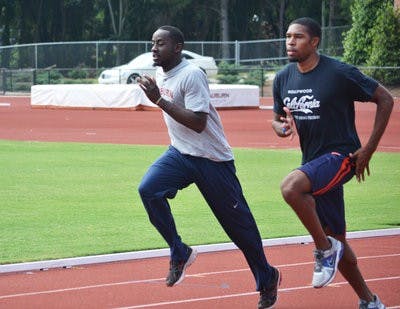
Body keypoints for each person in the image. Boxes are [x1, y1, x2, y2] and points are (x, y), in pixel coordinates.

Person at [137, 25, 280, 309]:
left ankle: (267, 277)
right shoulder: (159, 74)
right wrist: (160, 98)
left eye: (160, 43)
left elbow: (199, 123)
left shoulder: (192, 75)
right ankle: (179, 251)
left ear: (177, 47)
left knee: (239, 228)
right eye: (152, 43)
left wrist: (159, 100)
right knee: (148, 190)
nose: (154, 48)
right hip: (180, 154)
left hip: (213, 160)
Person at [272, 17, 393, 309]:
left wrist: (369, 149)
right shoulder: (283, 78)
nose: (290, 41)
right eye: (288, 36)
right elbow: (277, 119)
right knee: (338, 238)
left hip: (342, 157)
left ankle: (324, 250)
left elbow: (385, 99)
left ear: (314, 42)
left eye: (298, 37)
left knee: (290, 188)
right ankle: (370, 301)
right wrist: (281, 127)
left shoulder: (339, 72)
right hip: (314, 164)